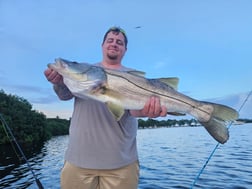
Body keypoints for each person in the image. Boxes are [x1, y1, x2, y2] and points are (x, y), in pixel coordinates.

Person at [44, 26, 167, 189]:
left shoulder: (134, 75)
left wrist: (146, 111)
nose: (114, 44)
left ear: (125, 49)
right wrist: (59, 83)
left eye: (119, 42)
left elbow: (133, 110)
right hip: (78, 161)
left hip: (121, 164)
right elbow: (64, 95)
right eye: (110, 40)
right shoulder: (86, 70)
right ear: (102, 45)